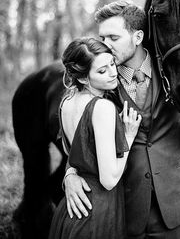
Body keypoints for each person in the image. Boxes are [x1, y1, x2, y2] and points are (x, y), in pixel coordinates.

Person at [64, 1, 180, 238]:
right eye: (102, 38)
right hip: (123, 210)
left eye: (113, 38)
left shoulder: (174, 72)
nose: (104, 47)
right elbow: (80, 135)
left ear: (137, 37)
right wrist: (70, 174)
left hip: (175, 206)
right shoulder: (100, 83)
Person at [49, 37, 142, 239]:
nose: (113, 73)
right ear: (83, 78)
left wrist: (70, 174)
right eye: (102, 71)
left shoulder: (66, 101)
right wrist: (129, 136)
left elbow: (71, 153)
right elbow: (108, 180)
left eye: (112, 64)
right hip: (97, 209)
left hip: (72, 209)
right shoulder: (102, 107)